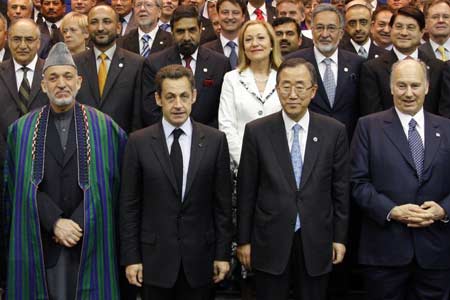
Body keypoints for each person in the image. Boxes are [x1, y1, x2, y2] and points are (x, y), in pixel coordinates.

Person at [2, 42, 126, 300]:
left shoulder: (105, 128)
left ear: (79, 82)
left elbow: (111, 186)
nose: (61, 84)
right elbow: (19, 187)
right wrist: (55, 222)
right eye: (53, 78)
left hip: (90, 244)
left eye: (68, 76)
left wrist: (77, 223)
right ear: (43, 85)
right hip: (42, 245)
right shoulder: (21, 130)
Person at [237, 57, 350, 300]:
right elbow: (247, 191)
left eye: (300, 86)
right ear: (277, 89)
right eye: (285, 86)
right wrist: (244, 241)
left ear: (313, 91)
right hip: (270, 240)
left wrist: (340, 238)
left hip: (316, 238)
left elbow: (340, 190)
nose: (292, 94)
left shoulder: (334, 131)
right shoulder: (257, 131)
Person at [120, 64, 232, 300]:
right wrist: (131, 258)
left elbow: (222, 207)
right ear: (158, 99)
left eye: (183, 96)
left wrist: (222, 254)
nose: (178, 105)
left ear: (194, 96)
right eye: (170, 97)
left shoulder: (215, 141)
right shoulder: (138, 142)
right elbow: (129, 207)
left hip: (201, 262)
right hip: (153, 262)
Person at [351, 58, 450, 300]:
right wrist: (391, 210)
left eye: (415, 85)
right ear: (391, 87)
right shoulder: (368, 126)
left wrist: (443, 210)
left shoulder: (447, 128)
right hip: (385, 252)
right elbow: (356, 182)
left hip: (436, 253)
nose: (408, 93)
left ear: (427, 87)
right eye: (401, 85)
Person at [142, 5, 230, 127]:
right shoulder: (154, 63)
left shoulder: (220, 63)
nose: (187, 37)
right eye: (180, 31)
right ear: (172, 32)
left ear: (200, 29)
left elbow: (224, 110)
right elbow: (151, 110)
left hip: (208, 139)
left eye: (192, 30)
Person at [286, 3, 364, 138]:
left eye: (331, 28)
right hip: (308, 141)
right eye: (319, 28)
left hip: (348, 142)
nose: (325, 34)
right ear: (311, 31)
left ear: (341, 33)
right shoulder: (294, 62)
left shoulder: (358, 63)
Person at [360, 6, 450, 117]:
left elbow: (443, 114)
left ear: (422, 32)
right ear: (391, 29)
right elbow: (372, 115)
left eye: (410, 27)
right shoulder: (372, 68)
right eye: (398, 27)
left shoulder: (438, 67)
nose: (403, 33)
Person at [218, 20, 282, 167]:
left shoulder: (283, 78)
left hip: (280, 163)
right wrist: (247, 161)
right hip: (242, 163)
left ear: (272, 44)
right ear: (243, 48)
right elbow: (226, 125)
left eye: (260, 38)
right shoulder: (231, 79)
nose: (254, 43)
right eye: (248, 39)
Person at [74, 4, 144, 133]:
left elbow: (138, 115)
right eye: (94, 22)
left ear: (118, 28)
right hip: (83, 144)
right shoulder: (74, 63)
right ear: (88, 28)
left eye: (107, 22)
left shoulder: (137, 64)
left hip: (123, 144)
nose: (100, 28)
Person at [0, 18, 48, 139]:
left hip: (43, 151)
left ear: (38, 43)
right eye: (16, 39)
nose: (22, 45)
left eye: (29, 40)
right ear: (8, 41)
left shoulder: (51, 72)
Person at [203, 0, 246, 69]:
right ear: (218, 15)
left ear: (243, 17)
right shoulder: (205, 51)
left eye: (235, 13)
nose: (230, 17)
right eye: (225, 12)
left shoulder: (251, 47)